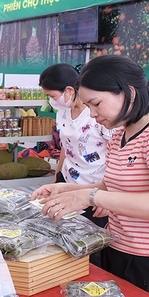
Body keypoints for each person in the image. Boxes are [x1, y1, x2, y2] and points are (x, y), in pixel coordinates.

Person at [31, 55, 149, 297]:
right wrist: (67, 189)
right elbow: (114, 188)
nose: (92, 114)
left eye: (96, 104)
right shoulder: (121, 134)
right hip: (120, 249)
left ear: (129, 92)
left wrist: (90, 197)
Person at [39, 63, 113, 266]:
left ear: (69, 90)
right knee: (66, 234)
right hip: (68, 179)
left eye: (53, 96)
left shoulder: (97, 114)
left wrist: (108, 196)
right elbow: (66, 145)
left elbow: (116, 152)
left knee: (90, 243)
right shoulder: (63, 111)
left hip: (94, 185)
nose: (52, 101)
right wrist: (57, 175)